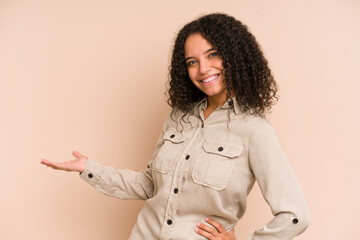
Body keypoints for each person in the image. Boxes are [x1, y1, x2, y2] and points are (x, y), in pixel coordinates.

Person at [41, 13, 309, 240]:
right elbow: (150, 185)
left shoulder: (254, 130)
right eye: (192, 62)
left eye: (212, 55)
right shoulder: (179, 116)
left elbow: (295, 216)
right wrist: (89, 168)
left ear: (235, 57)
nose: (203, 69)